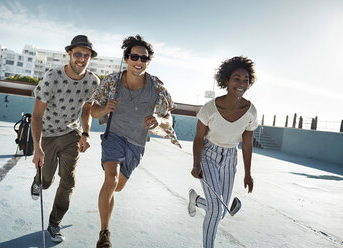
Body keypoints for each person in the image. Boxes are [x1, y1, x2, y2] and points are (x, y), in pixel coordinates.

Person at [91, 34, 180, 248]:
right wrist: (105, 109)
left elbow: (169, 121)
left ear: (148, 62)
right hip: (114, 136)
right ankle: (104, 233)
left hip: (137, 144)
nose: (139, 62)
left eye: (144, 58)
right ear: (127, 58)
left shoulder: (156, 87)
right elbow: (93, 111)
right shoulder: (111, 82)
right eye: (135, 57)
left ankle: (112, 198)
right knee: (110, 180)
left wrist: (158, 119)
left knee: (118, 187)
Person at [30, 35, 100, 243]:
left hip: (71, 134)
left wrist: (86, 134)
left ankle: (54, 223)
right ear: (69, 54)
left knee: (68, 181)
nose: (82, 59)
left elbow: (86, 110)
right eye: (77, 54)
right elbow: (37, 116)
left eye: (86, 55)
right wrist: (37, 147)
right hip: (48, 134)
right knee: (46, 181)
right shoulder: (52, 77)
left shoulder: (93, 81)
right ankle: (37, 180)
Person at [188, 56, 258, 248]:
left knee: (221, 211)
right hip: (208, 155)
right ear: (226, 80)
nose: (241, 83)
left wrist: (248, 173)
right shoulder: (209, 108)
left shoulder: (251, 112)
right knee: (217, 208)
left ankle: (196, 200)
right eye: (236, 78)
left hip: (230, 158)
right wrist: (196, 164)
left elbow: (247, 143)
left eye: (246, 80)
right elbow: (198, 138)